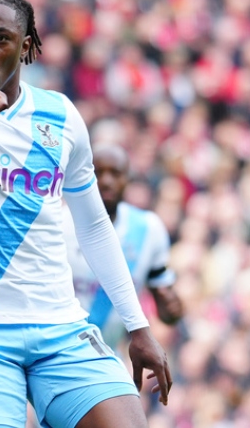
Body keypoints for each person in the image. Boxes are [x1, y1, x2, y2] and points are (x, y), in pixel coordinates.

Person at [0, 0, 171, 428]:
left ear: (25, 46)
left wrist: (138, 324)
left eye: (0, 38)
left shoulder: (61, 115)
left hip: (60, 325)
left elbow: (92, 227)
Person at [65, 144, 184, 351]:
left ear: (128, 179)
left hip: (107, 356)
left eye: (115, 173)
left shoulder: (149, 230)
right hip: (55, 352)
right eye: (98, 173)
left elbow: (167, 311)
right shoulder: (59, 222)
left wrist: (172, 307)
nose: (107, 181)